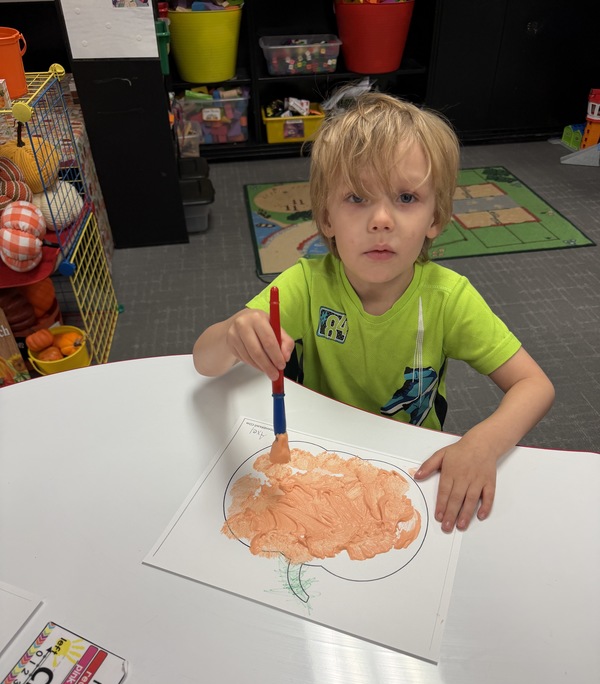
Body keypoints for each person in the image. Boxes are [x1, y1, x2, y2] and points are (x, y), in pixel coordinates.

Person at [193, 89, 555, 533]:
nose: (381, 220)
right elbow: (204, 361)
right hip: (319, 458)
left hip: (412, 465)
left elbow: (535, 385)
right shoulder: (306, 284)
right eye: (357, 198)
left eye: (406, 198)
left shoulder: (448, 298)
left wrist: (483, 443)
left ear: (435, 218)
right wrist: (233, 332)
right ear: (327, 218)